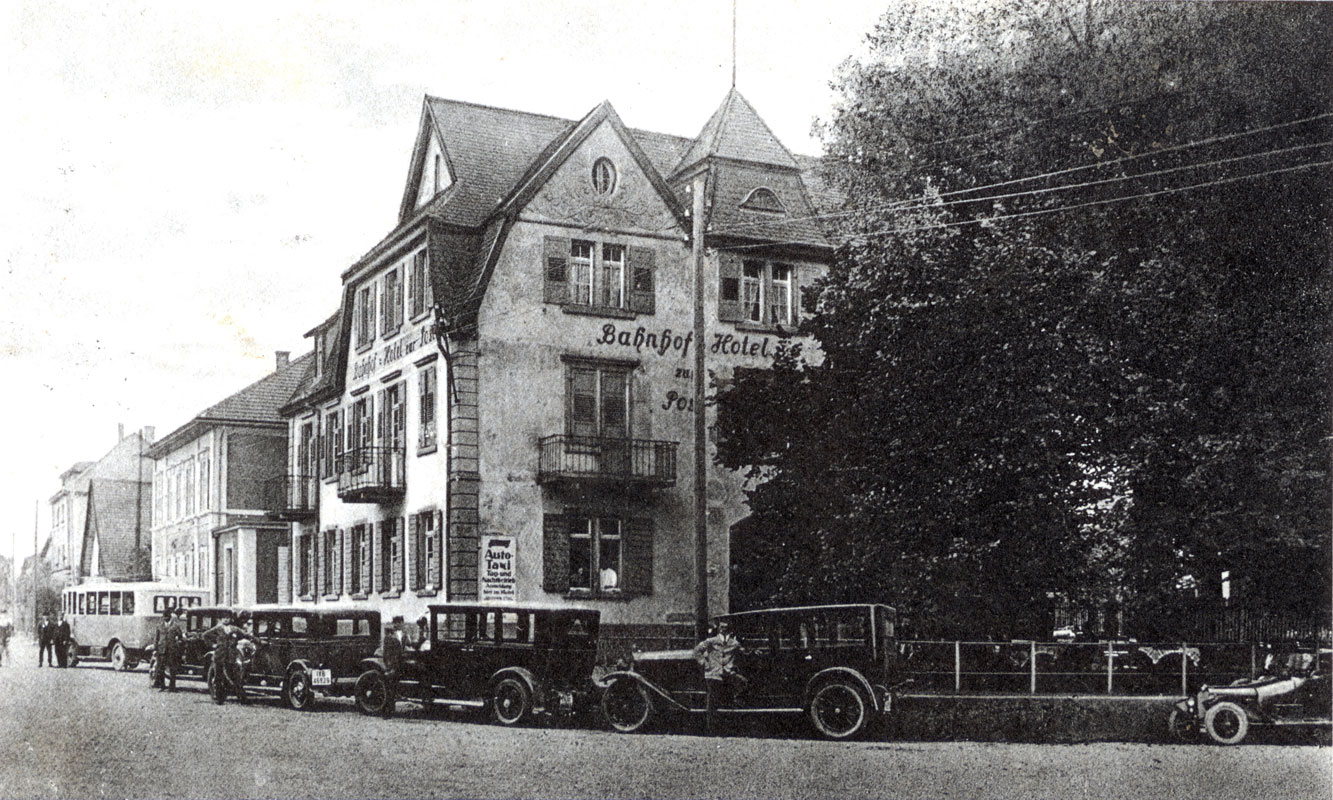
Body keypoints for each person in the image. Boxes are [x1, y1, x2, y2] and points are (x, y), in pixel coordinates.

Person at [692, 620, 746, 735]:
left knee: (741, 683)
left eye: (726, 628)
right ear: (718, 629)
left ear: (730, 630)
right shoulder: (711, 641)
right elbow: (697, 651)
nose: (724, 630)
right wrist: (704, 663)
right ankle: (711, 729)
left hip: (727, 674)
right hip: (713, 674)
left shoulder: (734, 643)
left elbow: (743, 653)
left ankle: (727, 726)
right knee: (712, 702)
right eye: (721, 628)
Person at [379, 615, 406, 719]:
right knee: (389, 690)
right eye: (398, 623)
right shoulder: (389, 636)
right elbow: (386, 654)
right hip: (392, 666)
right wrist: (389, 667)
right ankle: (386, 713)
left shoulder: (403, 635)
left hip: (399, 665)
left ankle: (391, 710)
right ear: (395, 623)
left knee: (393, 689)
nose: (400, 625)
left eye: (401, 623)